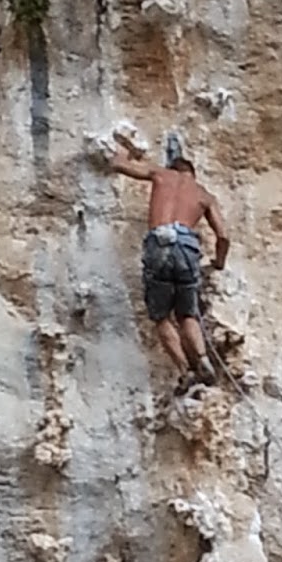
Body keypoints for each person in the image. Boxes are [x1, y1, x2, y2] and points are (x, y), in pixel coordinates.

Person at [108, 134, 230, 389]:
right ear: (192, 174)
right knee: (187, 314)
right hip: (187, 246)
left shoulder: (161, 174)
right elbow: (223, 236)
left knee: (162, 316)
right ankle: (203, 359)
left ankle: (185, 370)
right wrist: (218, 262)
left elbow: (118, 165)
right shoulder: (203, 194)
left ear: (174, 169)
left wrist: (125, 152)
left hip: (159, 242)